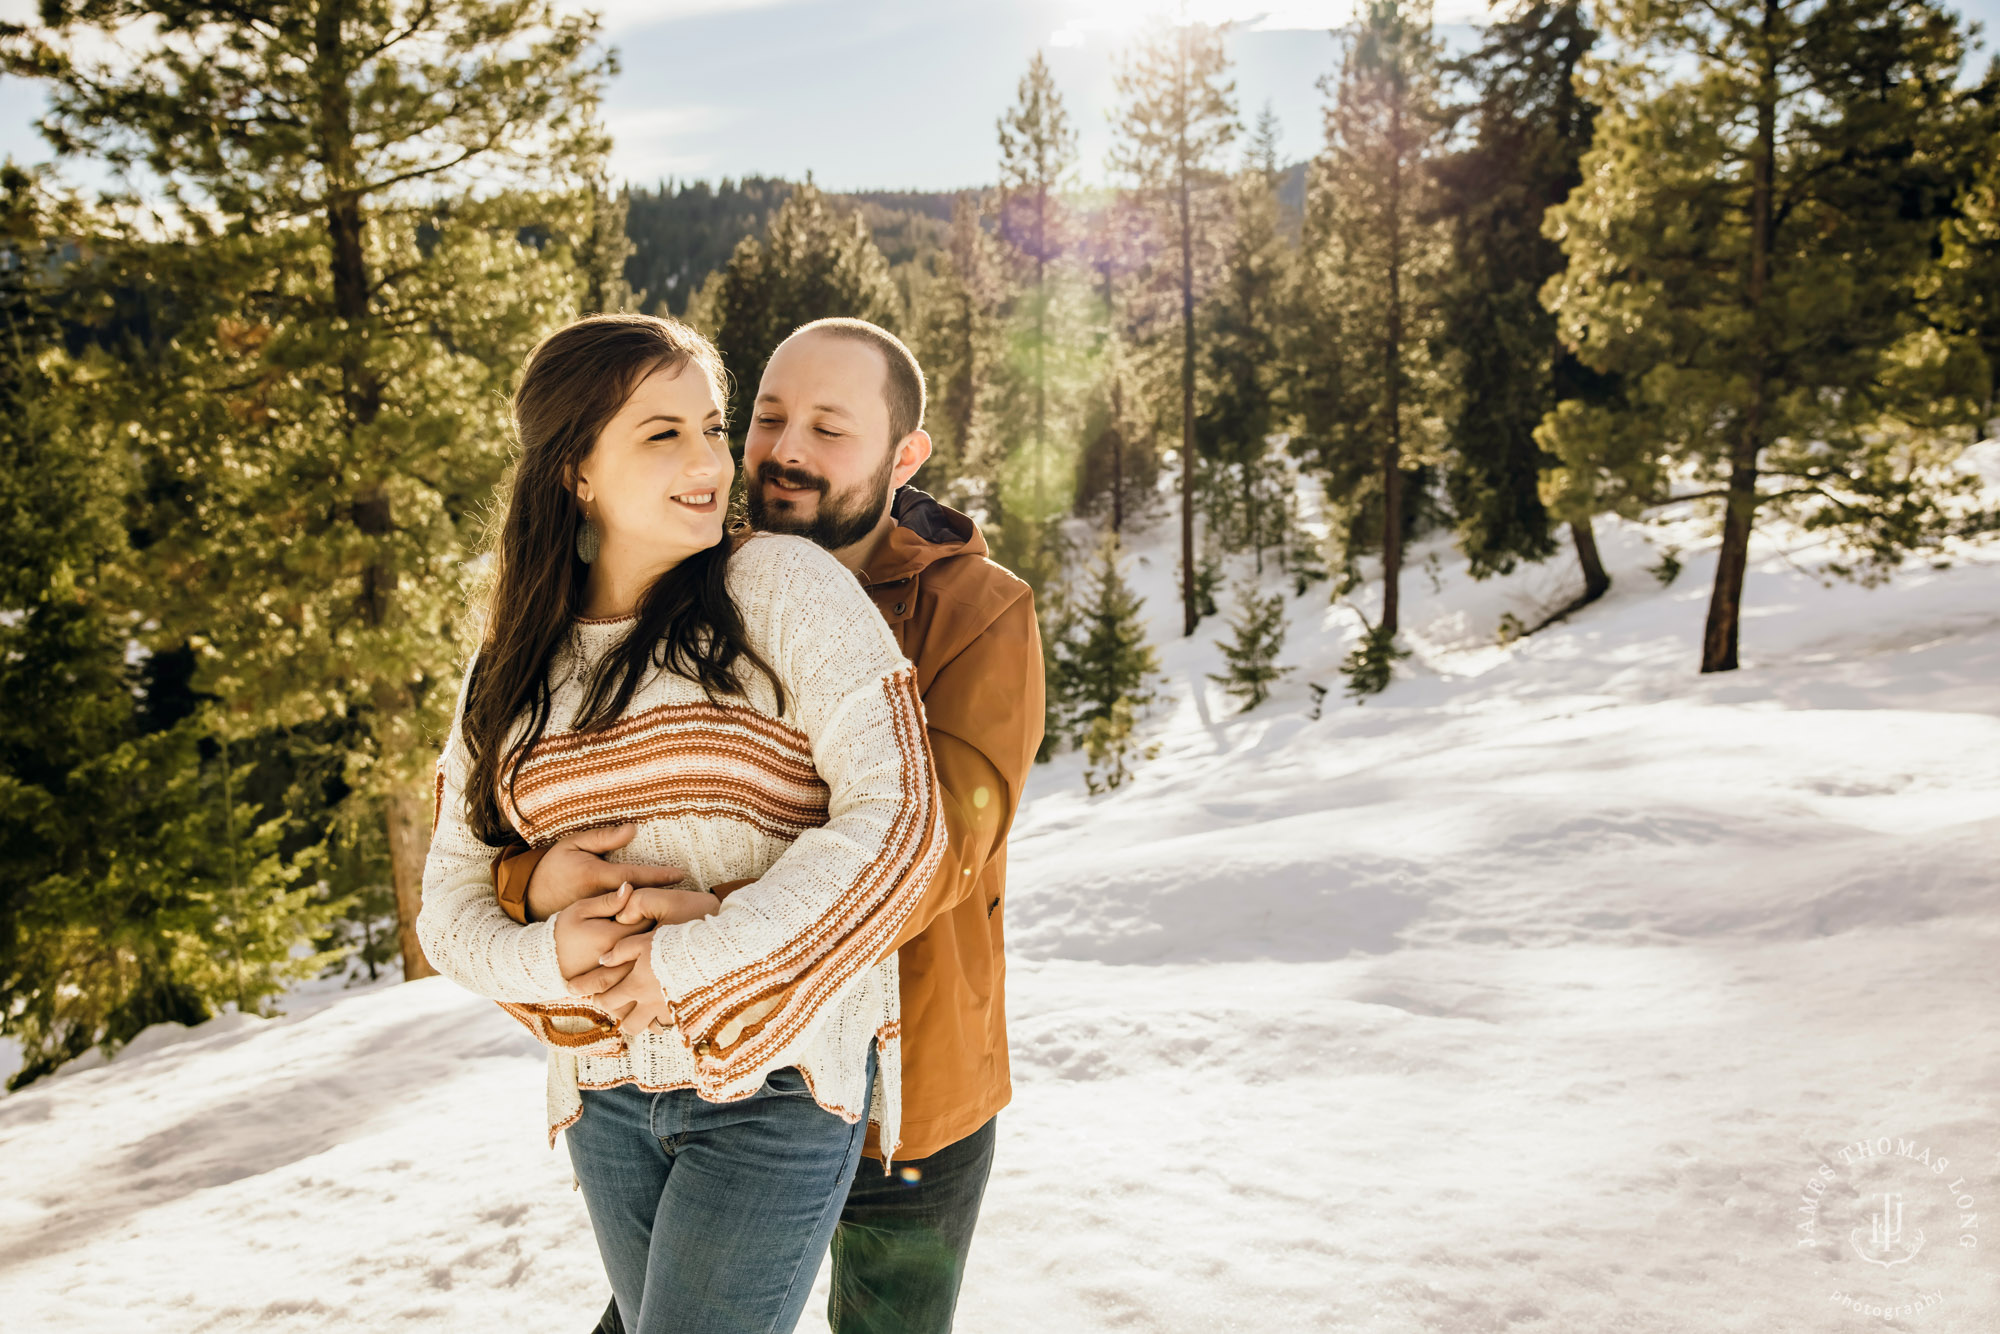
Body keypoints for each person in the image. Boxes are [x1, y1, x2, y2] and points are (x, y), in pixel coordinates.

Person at [494, 318, 1045, 1334]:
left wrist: (699, 935)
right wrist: (525, 882)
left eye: (829, 428)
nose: (784, 450)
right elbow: (593, 782)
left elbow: (943, 848)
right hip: (714, 1070)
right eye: (768, 418)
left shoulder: (976, 610)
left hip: (912, 1090)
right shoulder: (693, 573)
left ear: (903, 454)